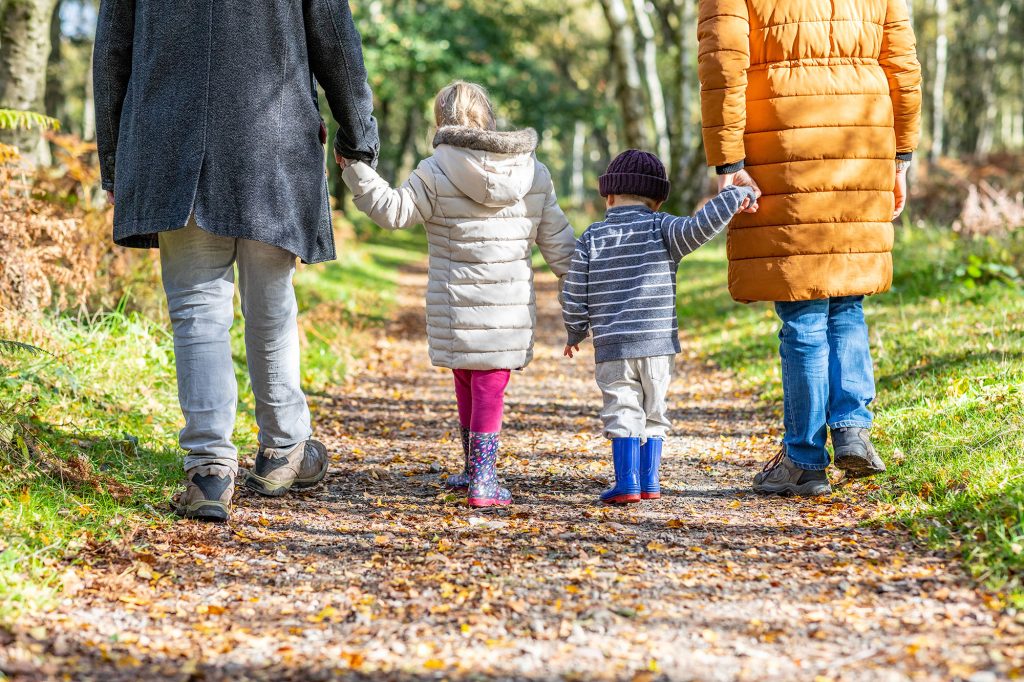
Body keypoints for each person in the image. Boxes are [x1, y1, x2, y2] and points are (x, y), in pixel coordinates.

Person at [93, 0, 380, 521]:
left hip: (168, 143)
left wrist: (114, 162)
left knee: (197, 310)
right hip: (272, 145)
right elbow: (336, 41)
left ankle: (209, 471)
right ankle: (284, 449)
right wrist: (358, 138)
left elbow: (112, 51)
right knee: (270, 305)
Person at [697, 0, 923, 496]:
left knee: (802, 305)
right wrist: (900, 154)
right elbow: (902, 63)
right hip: (861, 141)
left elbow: (722, 63)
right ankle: (851, 430)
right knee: (845, 296)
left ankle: (802, 458)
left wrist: (727, 160)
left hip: (780, 141)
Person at [338, 81, 576, 507]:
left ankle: (478, 475)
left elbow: (394, 212)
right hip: (506, 312)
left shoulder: (435, 169)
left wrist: (355, 169)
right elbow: (558, 242)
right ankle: (479, 475)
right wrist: (586, 289)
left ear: (441, 120)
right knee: (484, 384)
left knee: (468, 379)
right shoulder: (533, 172)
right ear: (488, 116)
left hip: (454, 304)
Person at [561, 150, 756, 504]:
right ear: (657, 201)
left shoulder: (592, 237)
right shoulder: (662, 227)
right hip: (658, 345)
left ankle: (627, 482)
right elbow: (700, 226)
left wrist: (575, 331)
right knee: (655, 410)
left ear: (609, 196)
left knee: (622, 407)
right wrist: (734, 194)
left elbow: (575, 290)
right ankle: (650, 482)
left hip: (614, 347)